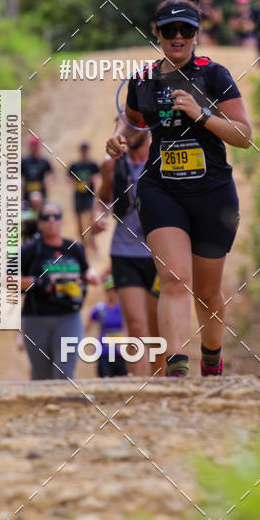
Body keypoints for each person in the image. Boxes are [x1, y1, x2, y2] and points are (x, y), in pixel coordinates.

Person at [106, 0, 252, 377]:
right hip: (162, 189)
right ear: (156, 32)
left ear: (197, 33)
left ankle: (211, 358)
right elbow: (135, 121)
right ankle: (176, 370)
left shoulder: (215, 76)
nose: (177, 38)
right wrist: (120, 137)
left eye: (185, 31)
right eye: (169, 30)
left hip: (212, 193)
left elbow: (244, 136)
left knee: (206, 292)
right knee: (174, 278)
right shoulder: (143, 80)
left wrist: (201, 114)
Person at [93, 130, 162, 378]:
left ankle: (161, 383)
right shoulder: (111, 165)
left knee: (158, 327)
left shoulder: (162, 158)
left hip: (159, 254)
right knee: (135, 325)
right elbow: (103, 198)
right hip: (124, 252)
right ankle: (139, 386)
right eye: (126, 128)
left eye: (135, 128)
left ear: (148, 130)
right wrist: (99, 217)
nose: (129, 133)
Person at [20, 202, 100, 379]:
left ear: (62, 221)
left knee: (64, 371)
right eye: (46, 217)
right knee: (42, 375)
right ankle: (43, 407)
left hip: (69, 317)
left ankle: (65, 406)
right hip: (36, 319)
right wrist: (39, 281)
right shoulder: (30, 250)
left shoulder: (74, 248)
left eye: (56, 216)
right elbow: (9, 281)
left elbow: (86, 270)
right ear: (39, 223)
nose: (51, 221)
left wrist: (91, 275)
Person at [87, 275, 127, 377]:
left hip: (120, 351)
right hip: (104, 351)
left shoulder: (123, 308)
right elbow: (87, 327)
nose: (111, 293)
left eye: (113, 290)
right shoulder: (100, 308)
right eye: (109, 290)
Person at [68, 142, 100, 249]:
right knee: (79, 220)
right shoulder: (74, 165)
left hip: (89, 194)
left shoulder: (92, 165)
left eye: (85, 151)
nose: (84, 153)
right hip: (78, 195)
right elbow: (68, 178)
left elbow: (97, 175)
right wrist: (75, 182)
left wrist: (93, 179)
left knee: (91, 217)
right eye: (83, 150)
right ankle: (82, 243)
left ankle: (92, 240)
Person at [21, 135, 54, 203]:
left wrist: (48, 182)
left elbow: (52, 174)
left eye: (36, 146)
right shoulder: (24, 161)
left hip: (42, 194)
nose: (34, 148)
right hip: (27, 195)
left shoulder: (44, 161)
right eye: (32, 146)